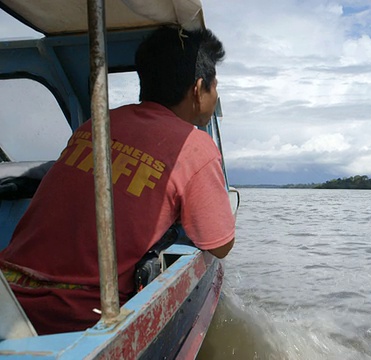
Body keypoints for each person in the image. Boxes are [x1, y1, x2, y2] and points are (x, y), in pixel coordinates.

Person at [0, 26, 235, 335]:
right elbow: (219, 246)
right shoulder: (195, 147)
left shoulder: (94, 126)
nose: (216, 94)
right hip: (75, 320)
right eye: (215, 85)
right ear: (198, 88)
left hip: (8, 300)